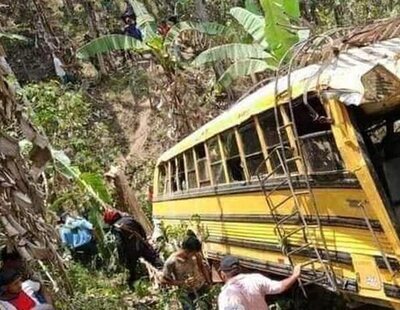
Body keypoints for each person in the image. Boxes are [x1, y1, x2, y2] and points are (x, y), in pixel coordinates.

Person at [103, 209, 161, 287]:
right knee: (155, 260)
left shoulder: (116, 228)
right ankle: (166, 274)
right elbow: (141, 229)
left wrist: (122, 258)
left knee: (131, 270)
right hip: (142, 244)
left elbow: (120, 244)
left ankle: (133, 286)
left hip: (131, 251)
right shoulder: (129, 219)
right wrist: (144, 240)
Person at [218, 255, 301, 310]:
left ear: (223, 275)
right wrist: (294, 276)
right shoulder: (255, 278)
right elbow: (280, 287)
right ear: (240, 268)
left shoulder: (226, 296)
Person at [162, 234, 212, 310]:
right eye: (193, 253)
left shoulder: (196, 255)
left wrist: (208, 282)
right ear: (187, 251)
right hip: (186, 294)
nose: (195, 255)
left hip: (201, 287)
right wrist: (183, 282)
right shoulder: (171, 262)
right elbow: (164, 280)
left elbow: (202, 267)